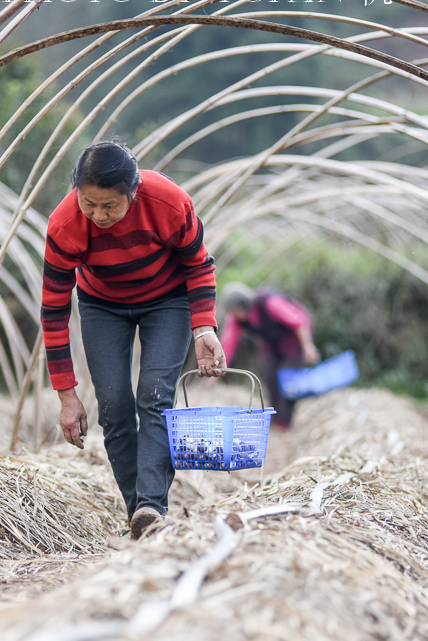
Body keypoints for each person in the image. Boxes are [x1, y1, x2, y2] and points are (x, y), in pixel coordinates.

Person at [40, 139, 226, 539]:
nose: (99, 215)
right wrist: (67, 395)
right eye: (89, 204)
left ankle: (152, 505)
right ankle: (138, 514)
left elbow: (198, 264)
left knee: (155, 395)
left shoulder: (168, 202)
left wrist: (204, 326)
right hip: (102, 305)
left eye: (110, 205)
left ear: (134, 191)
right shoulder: (64, 224)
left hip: (167, 302)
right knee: (114, 407)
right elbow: (53, 310)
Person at [220, 282, 319, 429]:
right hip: (270, 343)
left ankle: (285, 422)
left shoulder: (270, 303)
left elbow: (299, 322)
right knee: (270, 376)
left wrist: (308, 347)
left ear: (242, 305)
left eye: (233, 310)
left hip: (293, 340)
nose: (231, 314)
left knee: (288, 379)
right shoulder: (236, 319)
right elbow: (228, 343)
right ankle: (275, 418)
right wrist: (217, 372)